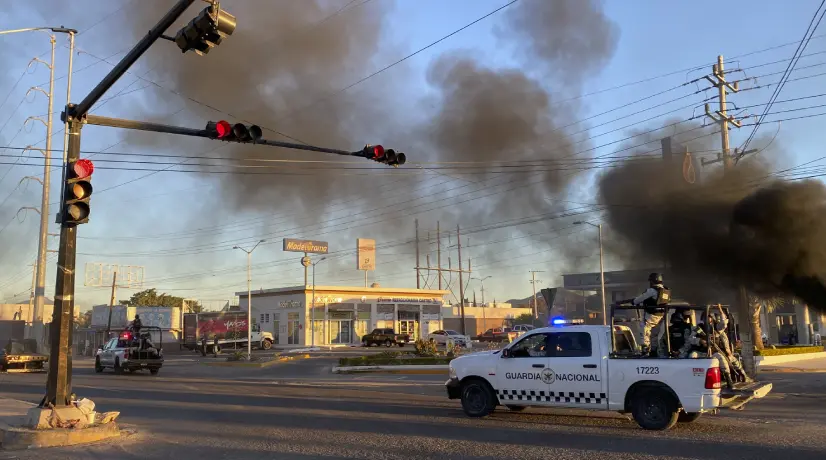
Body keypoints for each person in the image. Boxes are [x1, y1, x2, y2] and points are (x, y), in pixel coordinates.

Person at [624, 273, 671, 353]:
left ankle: (645, 351)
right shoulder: (666, 291)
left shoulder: (652, 291)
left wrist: (632, 301)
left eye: (651, 281)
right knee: (654, 336)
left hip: (651, 316)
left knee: (644, 333)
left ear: (653, 281)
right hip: (660, 317)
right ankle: (653, 352)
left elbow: (637, 300)